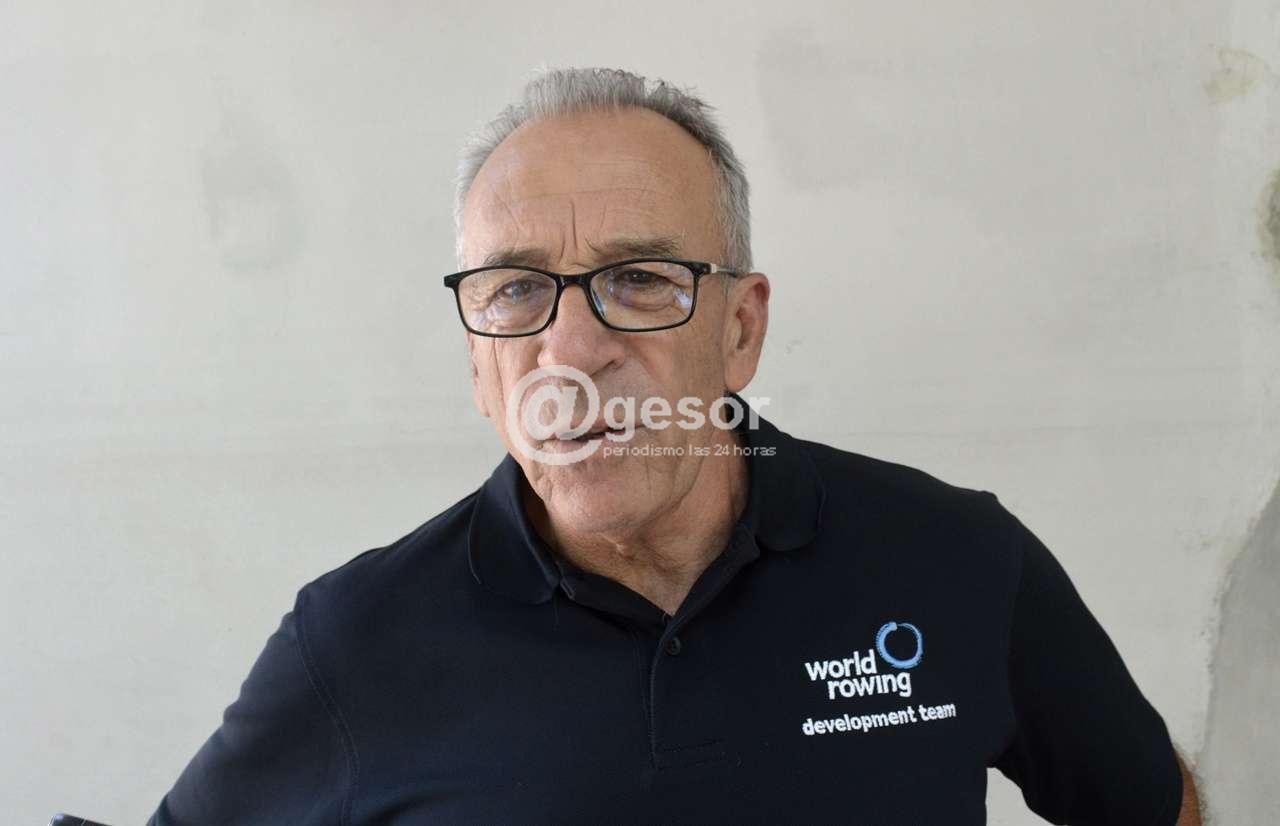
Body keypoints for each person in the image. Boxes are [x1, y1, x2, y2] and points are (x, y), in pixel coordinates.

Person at [148, 66, 1202, 824]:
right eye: (514, 290)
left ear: (739, 329)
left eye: (639, 279)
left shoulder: (959, 561)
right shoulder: (356, 643)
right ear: (478, 364)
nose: (572, 348)